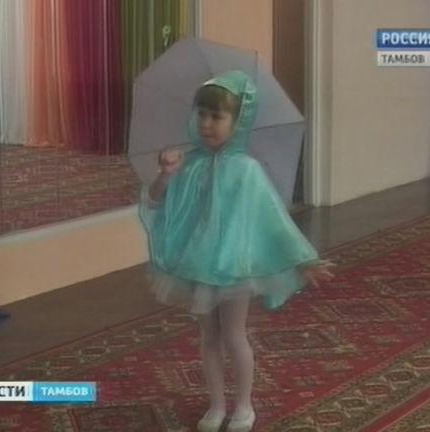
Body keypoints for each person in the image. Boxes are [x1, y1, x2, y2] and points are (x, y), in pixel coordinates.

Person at [139, 71, 334, 432]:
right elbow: (156, 202)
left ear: (238, 121)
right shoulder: (189, 163)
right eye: (202, 114)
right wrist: (166, 175)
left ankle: (243, 406)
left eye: (217, 116)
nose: (207, 124)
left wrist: (303, 258)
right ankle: (216, 405)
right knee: (208, 337)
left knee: (233, 334)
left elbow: (273, 219)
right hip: (197, 265)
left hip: (233, 268)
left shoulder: (247, 170)